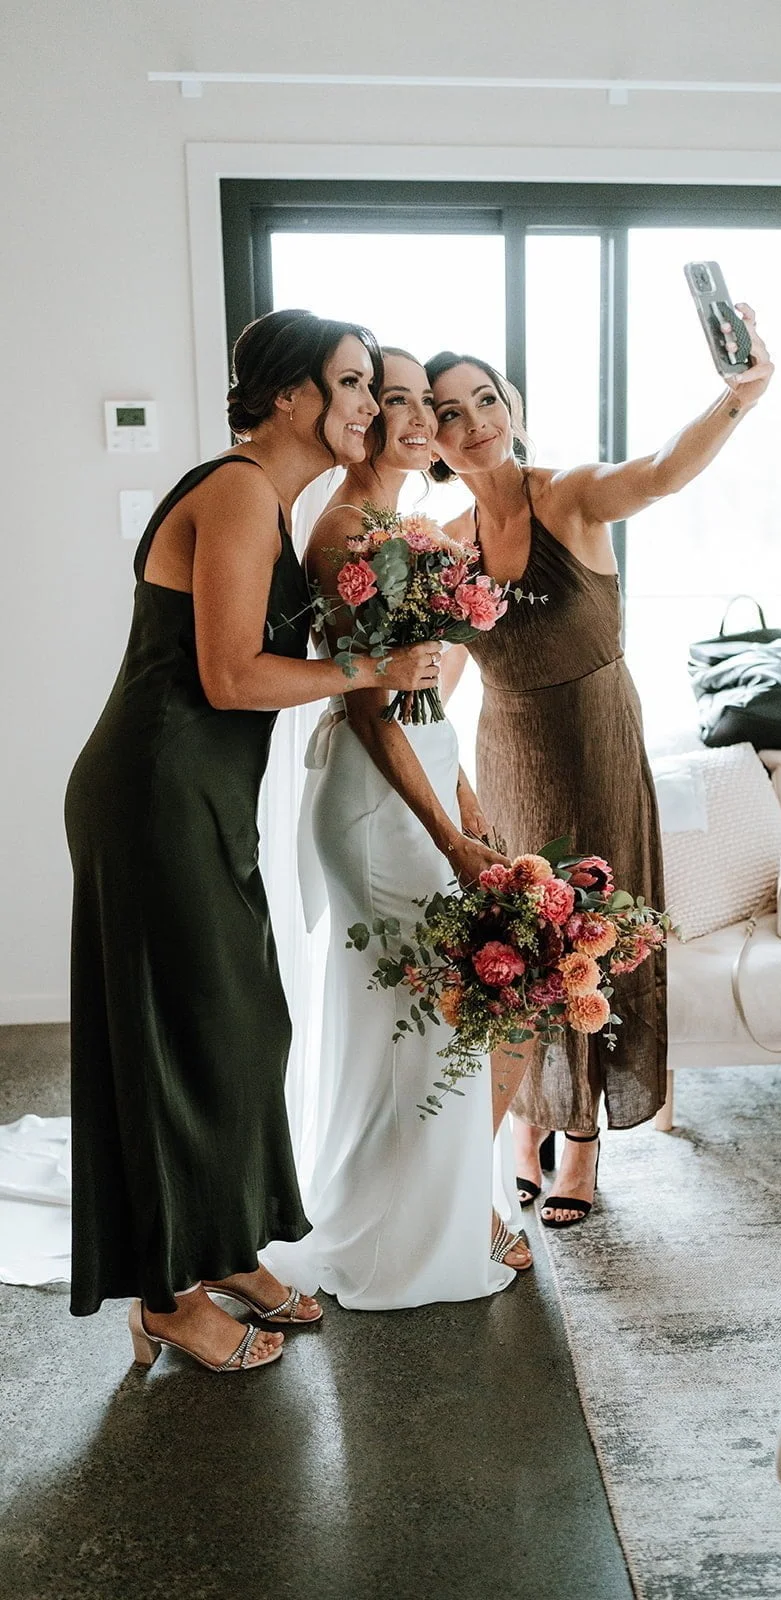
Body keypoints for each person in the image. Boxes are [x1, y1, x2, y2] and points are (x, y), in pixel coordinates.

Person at [64, 310, 441, 1372]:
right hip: (155, 791)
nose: (369, 404)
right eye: (352, 383)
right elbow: (231, 677)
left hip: (200, 791)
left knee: (239, 1026)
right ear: (288, 396)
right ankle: (166, 1298)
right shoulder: (234, 490)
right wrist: (372, 670)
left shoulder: (273, 502)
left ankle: (225, 1246)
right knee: (179, 1040)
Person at [427, 308, 774, 1226]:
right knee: (517, 950)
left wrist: (736, 397)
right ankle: (526, 1127)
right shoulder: (446, 545)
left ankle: (580, 1144)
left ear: (512, 407)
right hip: (507, 755)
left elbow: (661, 472)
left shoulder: (570, 498)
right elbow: (441, 674)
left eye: (485, 400)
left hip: (597, 746)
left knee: (594, 945)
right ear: (433, 439)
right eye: (449, 412)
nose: (475, 422)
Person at [262, 347, 531, 1312]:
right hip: (377, 805)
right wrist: (449, 840)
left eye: (427, 403)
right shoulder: (345, 530)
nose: (420, 420)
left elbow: (422, 698)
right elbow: (375, 709)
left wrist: (468, 803)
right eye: (395, 401)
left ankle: (434, 1215)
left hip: (418, 779)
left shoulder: (406, 527)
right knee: (430, 1019)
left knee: (422, 1027)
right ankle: (401, 1239)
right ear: (364, 416)